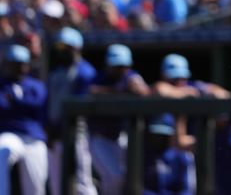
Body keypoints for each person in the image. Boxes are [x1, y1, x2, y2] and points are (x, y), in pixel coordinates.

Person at [88, 44, 150, 195]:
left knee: (131, 176)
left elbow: (146, 92)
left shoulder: (132, 76)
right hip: (99, 138)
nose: (120, 69)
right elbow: (92, 91)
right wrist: (119, 91)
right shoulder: (100, 77)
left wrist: (139, 88)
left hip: (122, 136)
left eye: (123, 66)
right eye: (116, 66)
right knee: (115, 177)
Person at [46, 27, 98, 195]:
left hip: (78, 134)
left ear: (77, 48)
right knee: (56, 185)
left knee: (83, 182)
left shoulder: (85, 72)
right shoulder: (56, 72)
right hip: (55, 135)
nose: (62, 52)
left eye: (66, 48)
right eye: (60, 48)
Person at [0, 45, 48, 195]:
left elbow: (38, 105)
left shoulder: (36, 86)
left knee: (35, 186)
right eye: (13, 64)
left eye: (21, 64)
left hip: (33, 137)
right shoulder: (2, 85)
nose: (17, 68)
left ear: (27, 65)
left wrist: (15, 101)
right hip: (10, 133)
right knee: (3, 150)